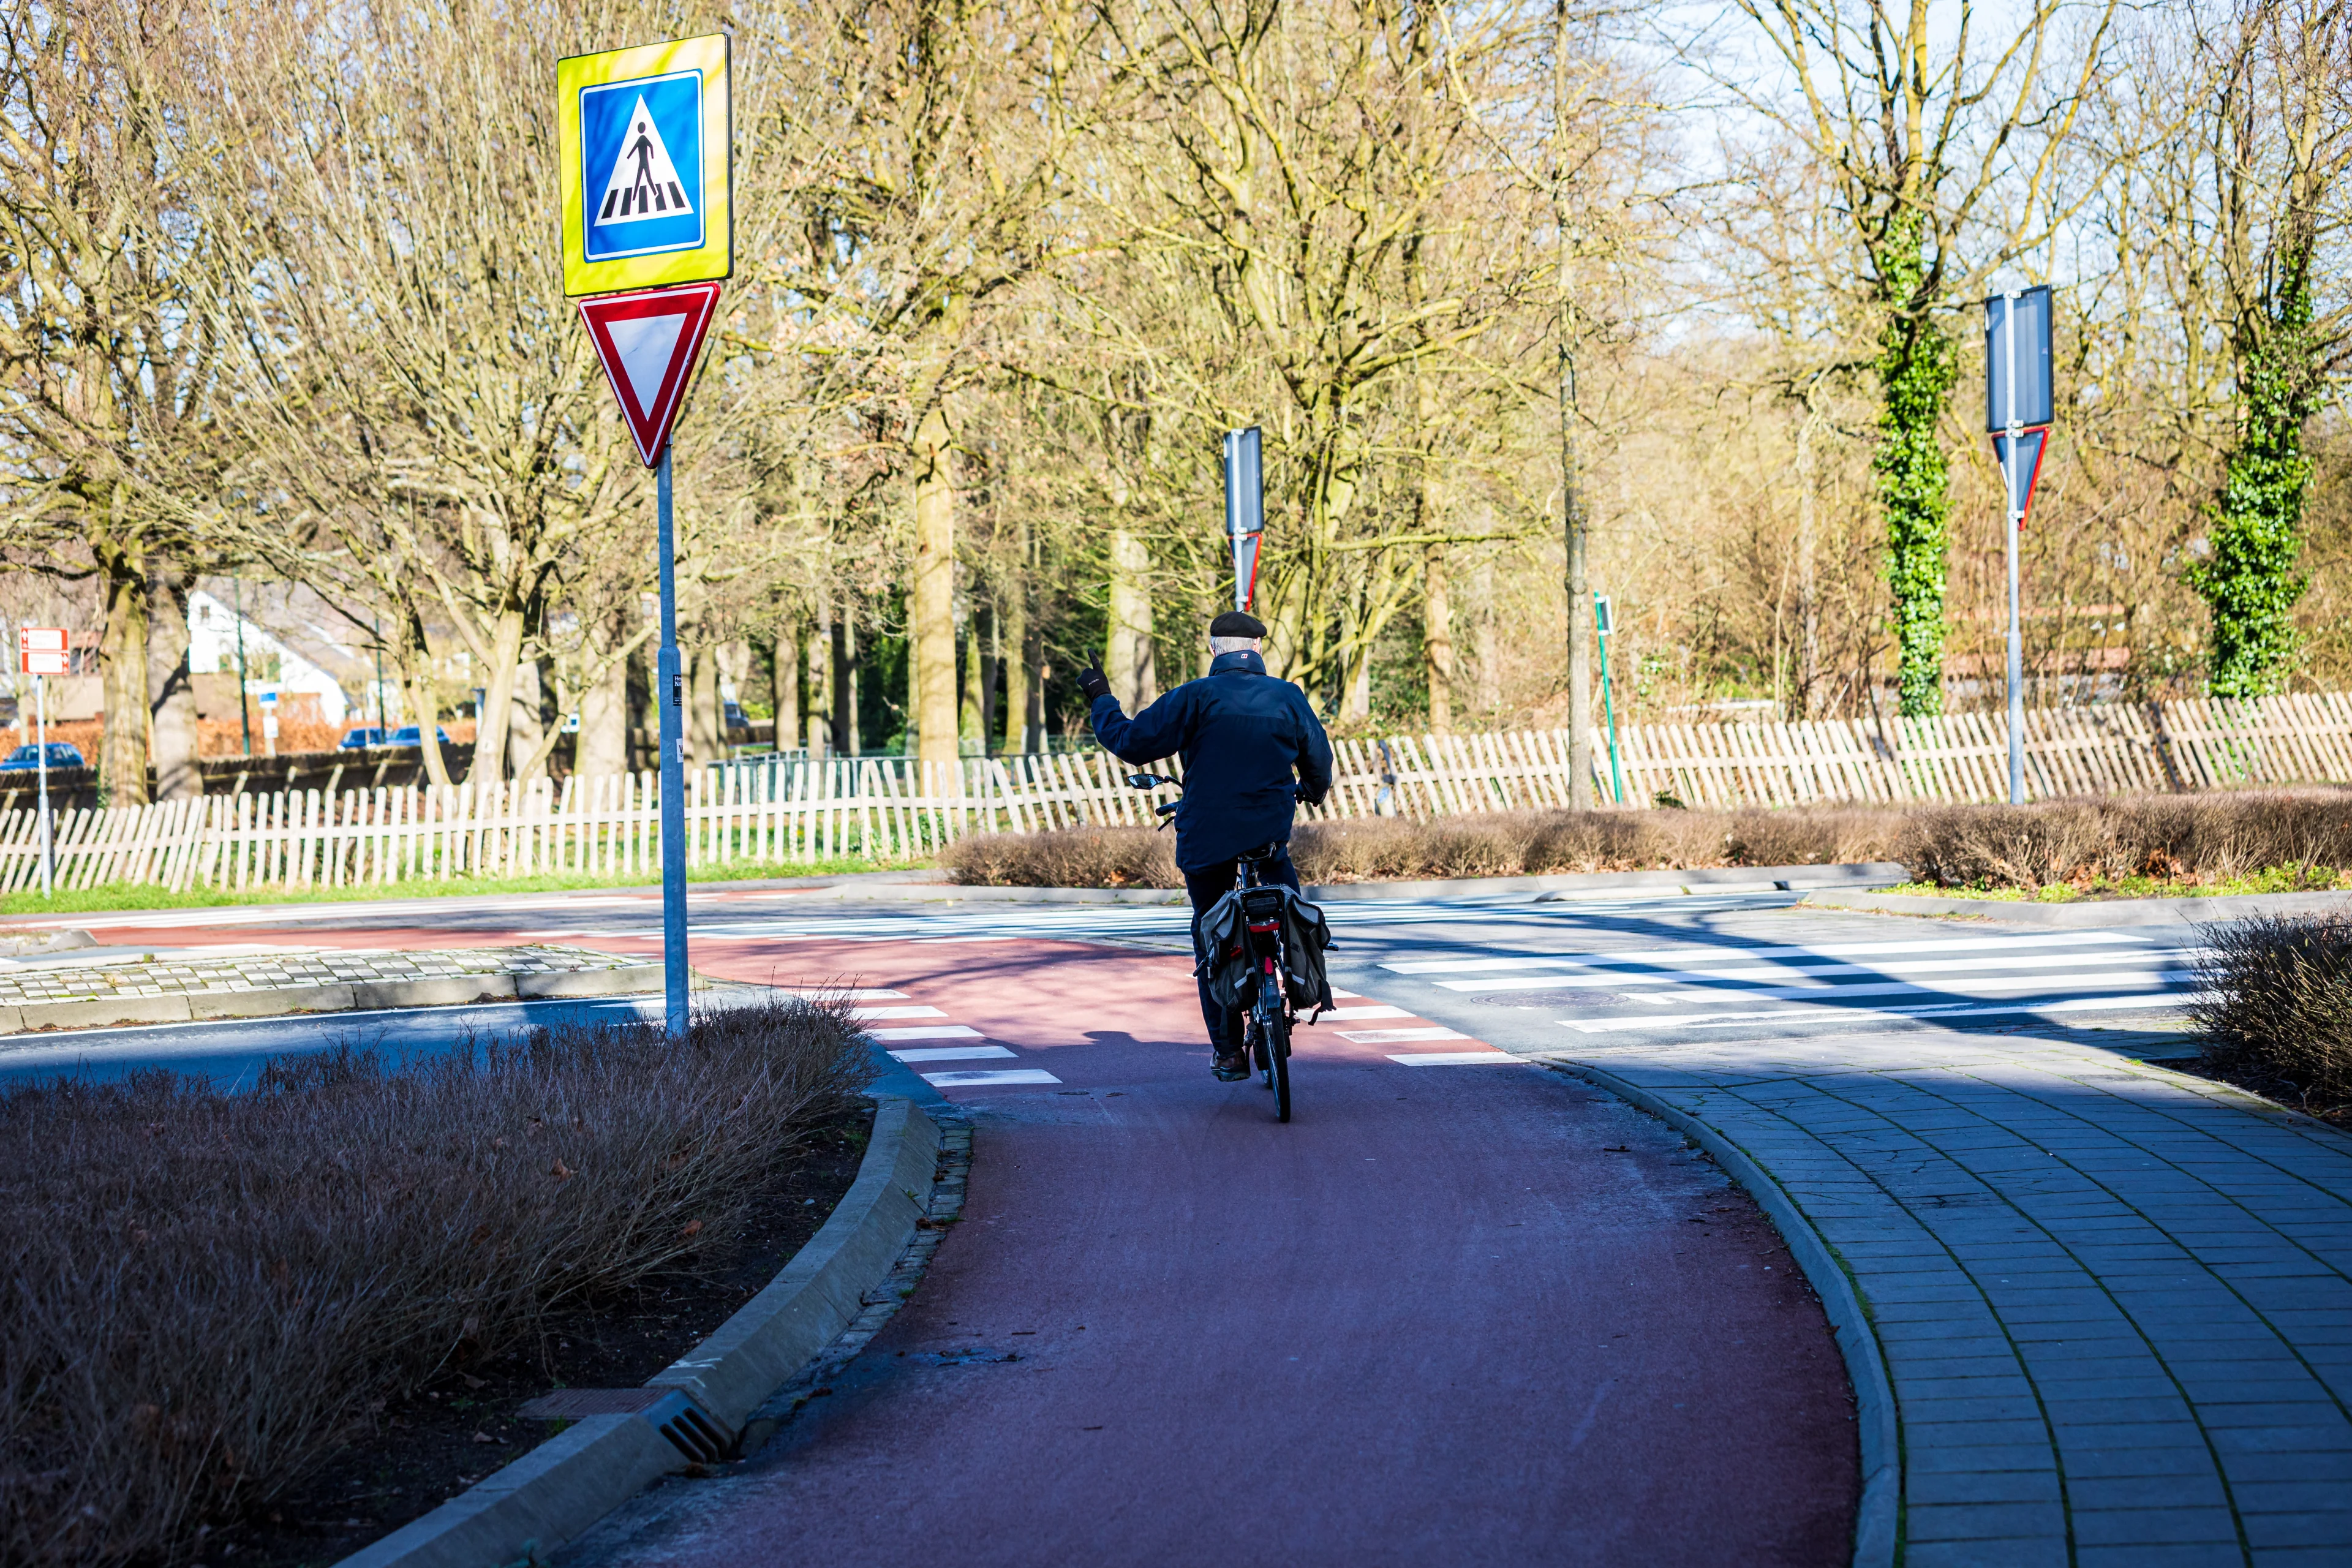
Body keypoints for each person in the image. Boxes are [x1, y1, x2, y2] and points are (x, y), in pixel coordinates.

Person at [1081, 611, 1333, 1081]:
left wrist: (1101, 698)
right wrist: (1312, 790)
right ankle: (1304, 986)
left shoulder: (1194, 698)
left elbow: (1133, 742)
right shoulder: (1288, 697)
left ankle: (1229, 1051)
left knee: (1210, 933)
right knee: (1291, 910)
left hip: (1207, 839)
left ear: (1214, 649)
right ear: (1257, 650)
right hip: (1268, 837)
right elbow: (1318, 758)